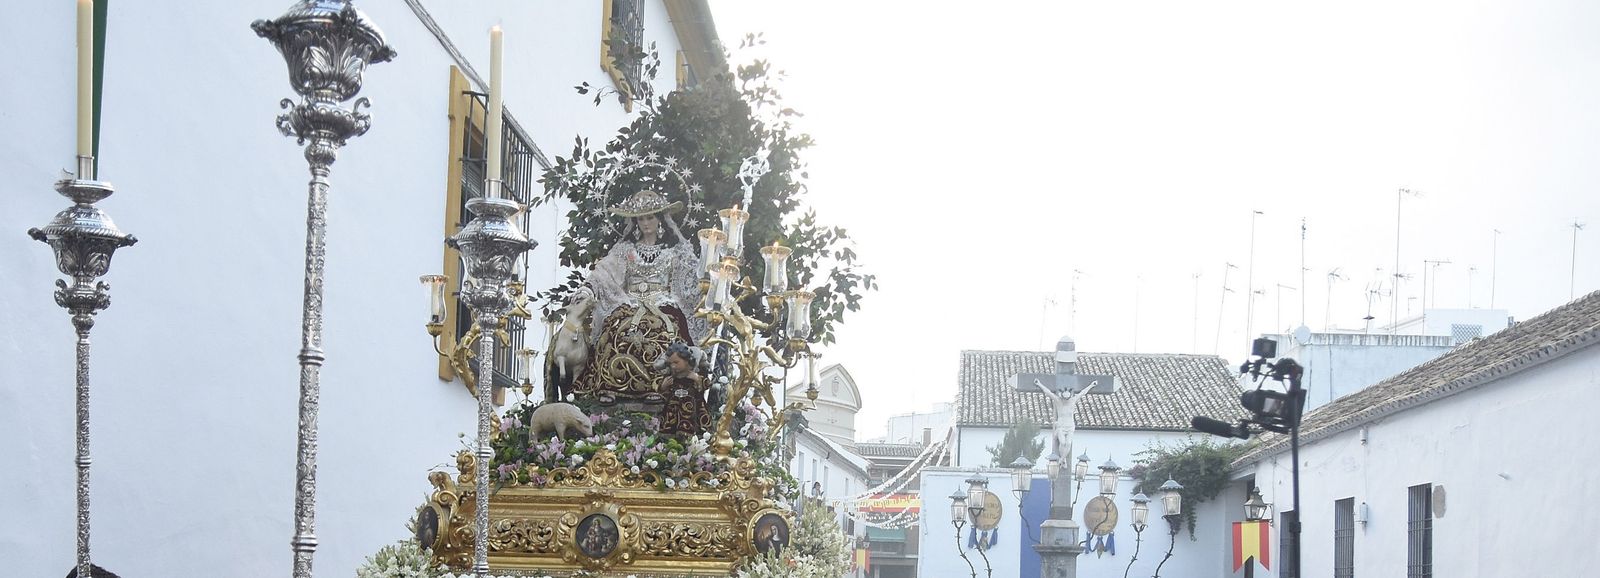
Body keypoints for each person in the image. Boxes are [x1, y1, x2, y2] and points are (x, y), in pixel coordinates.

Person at [567, 190, 706, 404]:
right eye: (641, 218)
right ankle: (610, 386)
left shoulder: (675, 253)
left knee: (663, 333)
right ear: (635, 222)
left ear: (660, 219)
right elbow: (604, 273)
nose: (646, 223)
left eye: (650, 217)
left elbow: (692, 281)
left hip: (663, 304)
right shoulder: (625, 250)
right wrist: (588, 289)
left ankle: (657, 386)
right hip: (629, 303)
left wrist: (711, 284)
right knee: (614, 328)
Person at [658, 341, 711, 437]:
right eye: (671, 363)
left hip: (693, 410)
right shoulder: (671, 377)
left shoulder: (694, 375)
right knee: (669, 431)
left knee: (693, 431)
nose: (673, 366)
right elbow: (662, 391)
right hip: (672, 411)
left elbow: (707, 384)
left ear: (687, 360)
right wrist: (663, 386)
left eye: (676, 362)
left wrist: (698, 380)